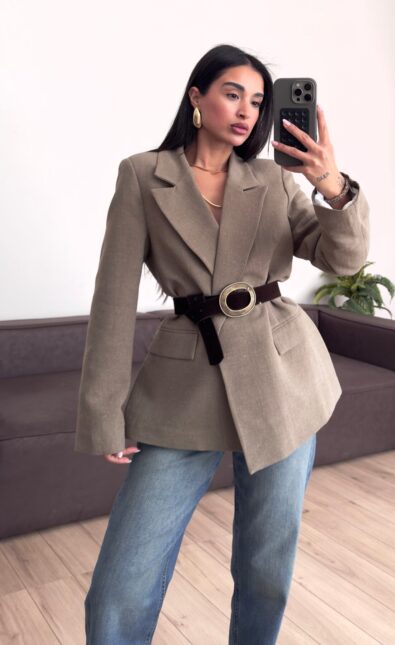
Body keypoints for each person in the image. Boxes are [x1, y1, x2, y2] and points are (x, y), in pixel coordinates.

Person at [76, 44, 369, 644]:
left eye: (257, 101)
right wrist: (104, 412)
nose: (245, 111)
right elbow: (113, 299)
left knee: (266, 568)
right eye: (232, 93)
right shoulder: (143, 175)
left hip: (283, 378)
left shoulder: (274, 178)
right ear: (197, 96)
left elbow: (342, 258)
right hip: (185, 385)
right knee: (121, 583)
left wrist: (331, 186)